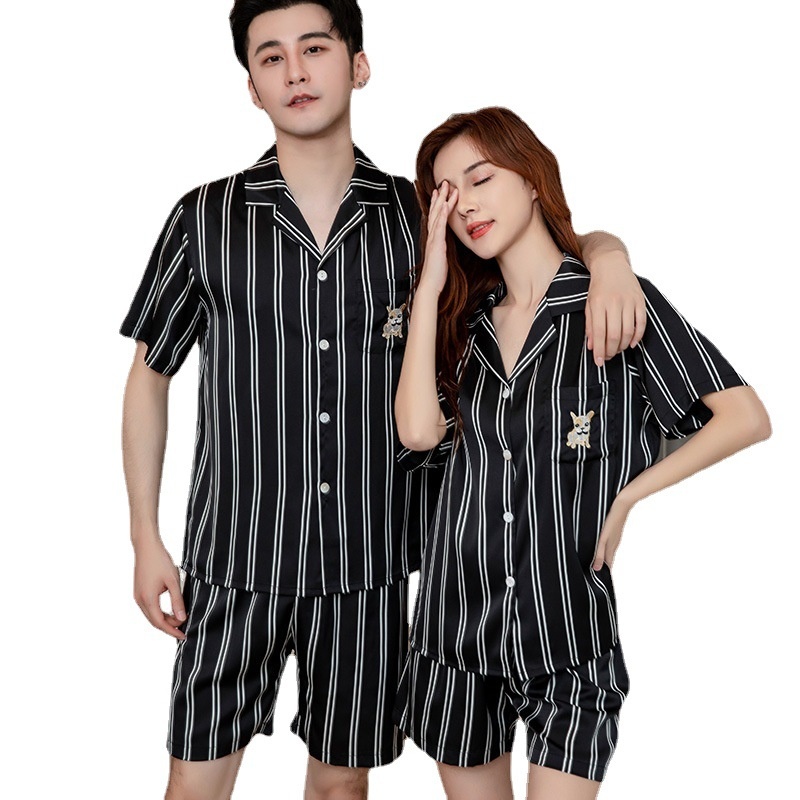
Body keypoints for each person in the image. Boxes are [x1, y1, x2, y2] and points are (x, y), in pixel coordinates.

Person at [120, 3, 644, 798]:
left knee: (341, 788)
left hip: (370, 566)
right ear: (252, 87)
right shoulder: (206, 218)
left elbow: (528, 257)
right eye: (271, 58)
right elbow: (149, 374)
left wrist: (609, 254)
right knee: (193, 786)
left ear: (357, 65)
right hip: (232, 559)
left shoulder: (418, 216)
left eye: (315, 48)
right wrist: (144, 537)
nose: (296, 72)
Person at [393, 106, 770, 800]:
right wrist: (429, 288)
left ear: (532, 178)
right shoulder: (461, 325)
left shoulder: (613, 301)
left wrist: (628, 496)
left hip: (569, 630)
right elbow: (418, 433)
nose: (466, 204)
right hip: (454, 632)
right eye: (447, 194)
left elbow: (744, 416)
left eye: (481, 178)